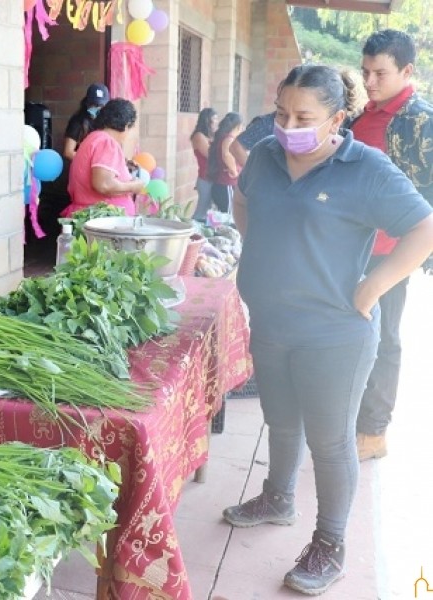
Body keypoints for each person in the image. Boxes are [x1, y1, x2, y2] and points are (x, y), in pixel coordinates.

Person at [226, 64, 433, 595]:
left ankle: (330, 543)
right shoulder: (269, 156)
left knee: (330, 439)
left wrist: (372, 287)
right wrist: (258, 249)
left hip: (334, 334)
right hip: (272, 320)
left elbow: (423, 228)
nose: (287, 125)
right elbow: (243, 197)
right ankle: (278, 497)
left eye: (303, 117)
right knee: (280, 419)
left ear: (338, 118)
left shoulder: (365, 168)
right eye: (281, 112)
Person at [348, 30, 433, 462]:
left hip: (393, 250)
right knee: (350, 330)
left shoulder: (422, 121)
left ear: (406, 71)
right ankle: (347, 417)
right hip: (350, 246)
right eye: (365, 72)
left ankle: (373, 432)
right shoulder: (361, 117)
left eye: (380, 73)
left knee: (385, 337)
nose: (370, 81)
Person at [61, 98, 146, 217]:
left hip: (93, 217)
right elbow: (103, 184)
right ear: (126, 126)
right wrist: (133, 186)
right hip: (101, 221)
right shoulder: (107, 142)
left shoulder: (94, 138)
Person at [206, 112, 243, 214]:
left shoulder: (222, 137)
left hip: (221, 183)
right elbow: (226, 155)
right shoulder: (229, 139)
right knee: (229, 216)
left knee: (223, 216)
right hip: (227, 184)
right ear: (238, 126)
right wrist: (235, 171)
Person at [62, 83, 111, 160]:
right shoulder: (78, 121)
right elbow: (68, 152)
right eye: (94, 104)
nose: (97, 108)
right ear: (87, 103)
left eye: (101, 105)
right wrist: (92, 161)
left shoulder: (108, 122)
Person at [190, 107, 218, 221]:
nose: (217, 121)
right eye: (214, 118)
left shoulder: (209, 136)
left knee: (209, 211)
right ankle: (193, 230)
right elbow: (211, 155)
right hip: (205, 177)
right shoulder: (199, 136)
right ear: (207, 120)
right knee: (202, 210)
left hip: (211, 177)